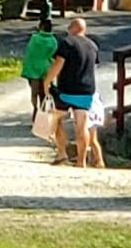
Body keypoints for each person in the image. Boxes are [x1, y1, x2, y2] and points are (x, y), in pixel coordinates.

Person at [42, 17, 100, 168]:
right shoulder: (93, 46)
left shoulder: (67, 43)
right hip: (86, 91)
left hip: (66, 90)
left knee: (55, 119)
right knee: (81, 127)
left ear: (72, 29)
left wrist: (47, 82)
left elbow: (58, 64)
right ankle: (81, 162)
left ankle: (62, 153)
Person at [20, 16, 59, 122]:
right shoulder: (53, 41)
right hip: (46, 69)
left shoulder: (34, 38)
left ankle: (35, 109)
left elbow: (30, 52)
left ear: (40, 27)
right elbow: (55, 55)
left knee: (34, 92)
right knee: (45, 92)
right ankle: (43, 112)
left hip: (33, 69)